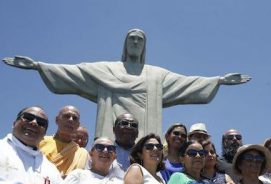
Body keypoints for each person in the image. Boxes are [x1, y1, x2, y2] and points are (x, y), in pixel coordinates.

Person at [3, 29, 251, 139]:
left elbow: (186, 84)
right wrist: (38, 65)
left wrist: (217, 81)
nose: (135, 42)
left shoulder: (156, 75)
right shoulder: (107, 69)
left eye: (140, 40)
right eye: (131, 38)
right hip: (109, 141)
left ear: (144, 47)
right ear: (125, 44)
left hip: (146, 138)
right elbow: (75, 72)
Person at [39, 105, 88, 177]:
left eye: (75, 118)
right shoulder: (40, 141)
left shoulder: (82, 153)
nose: (71, 120)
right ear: (57, 120)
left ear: (78, 125)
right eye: (66, 116)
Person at [112, 113, 139, 178]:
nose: (129, 127)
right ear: (114, 129)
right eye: (124, 123)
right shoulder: (103, 151)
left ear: (137, 133)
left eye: (134, 125)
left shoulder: (143, 155)